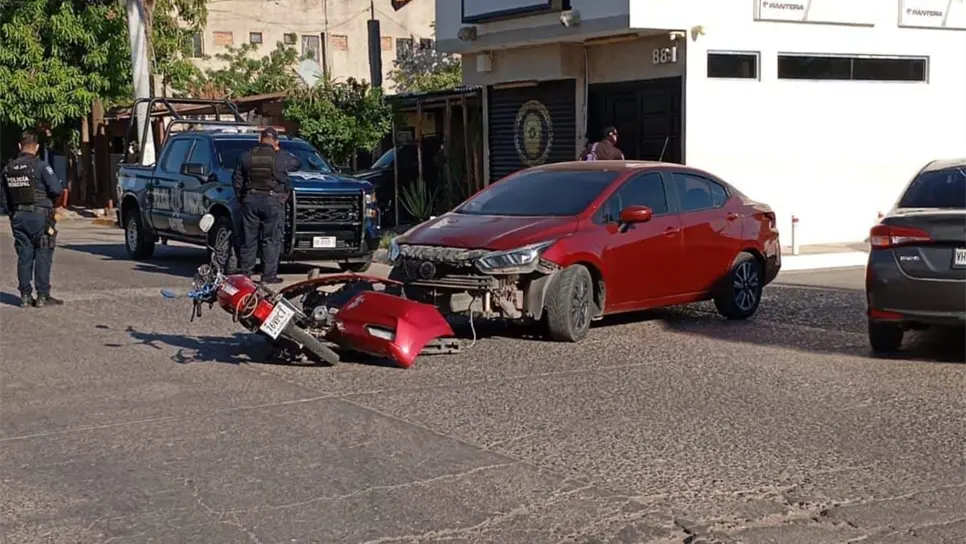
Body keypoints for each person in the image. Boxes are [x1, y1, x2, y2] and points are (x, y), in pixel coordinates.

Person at [0, 130, 64, 308]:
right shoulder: (41, 166)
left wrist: (13, 214)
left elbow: (4, 198)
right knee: (43, 253)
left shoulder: (8, 169)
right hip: (40, 216)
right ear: (36, 147)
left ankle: (25, 296)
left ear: (19, 146)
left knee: (24, 256)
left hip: (18, 217)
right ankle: (43, 296)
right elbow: (56, 190)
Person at [231, 127, 300, 284]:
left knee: (249, 239)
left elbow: (237, 180)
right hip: (273, 201)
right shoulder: (280, 157)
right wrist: (280, 151)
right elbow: (297, 164)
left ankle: (246, 274)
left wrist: (242, 199)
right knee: (272, 239)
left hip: (251, 199)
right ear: (276, 142)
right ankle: (268, 275)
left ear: (259, 140)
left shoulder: (246, 156)